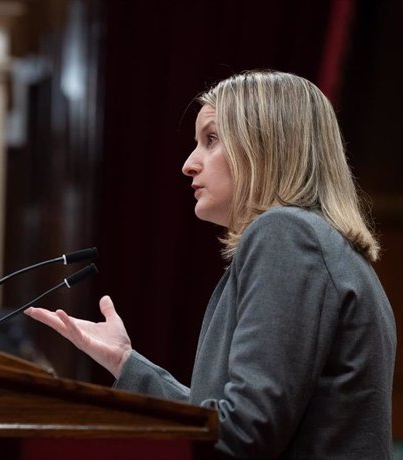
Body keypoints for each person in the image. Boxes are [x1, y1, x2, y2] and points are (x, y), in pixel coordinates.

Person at [24, 70, 396, 459]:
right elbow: (242, 426)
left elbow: (243, 437)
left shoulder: (286, 234)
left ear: (265, 145)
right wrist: (125, 362)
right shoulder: (321, 242)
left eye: (211, 139)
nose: (189, 164)